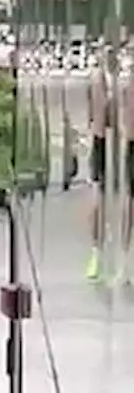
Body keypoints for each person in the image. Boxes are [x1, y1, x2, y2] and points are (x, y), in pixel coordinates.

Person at [83, 58, 134, 281]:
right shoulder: (98, 77)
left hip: (126, 141)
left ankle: (122, 257)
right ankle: (98, 252)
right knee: (99, 196)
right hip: (103, 140)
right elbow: (95, 113)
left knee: (128, 201)